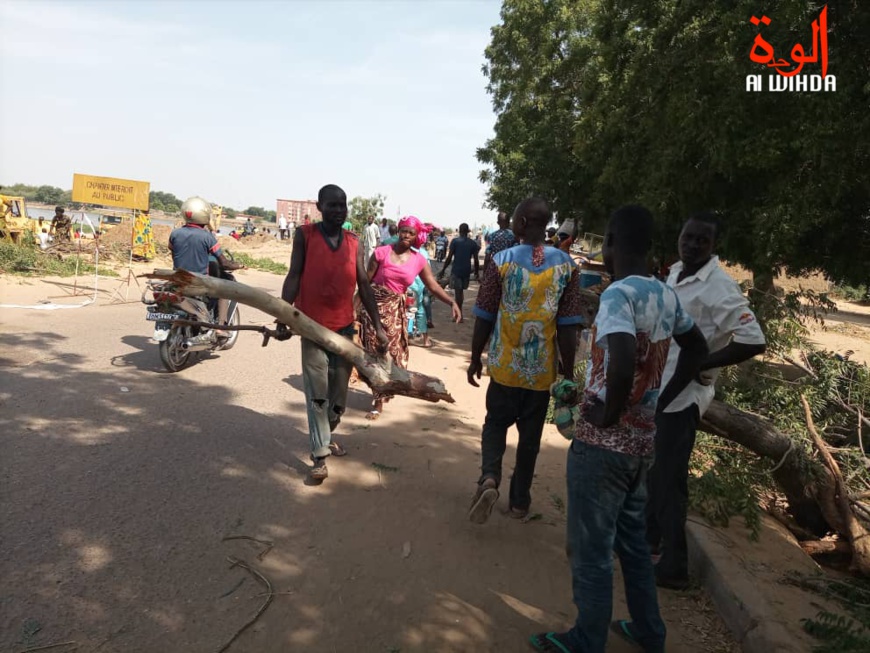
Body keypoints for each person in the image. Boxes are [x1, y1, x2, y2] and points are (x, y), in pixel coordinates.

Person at [529, 205, 708, 653]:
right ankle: (649, 631)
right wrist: (661, 401)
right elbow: (696, 346)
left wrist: (608, 414)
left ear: (609, 243)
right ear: (650, 247)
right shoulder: (665, 294)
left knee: (590, 549)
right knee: (631, 546)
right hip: (641, 447)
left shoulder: (617, 295)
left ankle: (587, 640)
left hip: (603, 449)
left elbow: (625, 356)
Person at [647, 211, 766, 590]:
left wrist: (705, 361)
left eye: (702, 240)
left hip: (684, 396)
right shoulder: (677, 271)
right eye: (689, 236)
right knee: (655, 471)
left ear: (714, 245)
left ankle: (674, 567)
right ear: (679, 236)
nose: (693, 244)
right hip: (661, 386)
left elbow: (754, 340)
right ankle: (645, 541)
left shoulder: (720, 287)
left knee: (670, 479)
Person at [467, 198, 582, 524]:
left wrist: (476, 357)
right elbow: (568, 324)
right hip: (540, 372)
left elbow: (485, 315)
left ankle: (489, 477)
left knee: (494, 425)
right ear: (544, 226)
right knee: (529, 437)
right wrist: (568, 370)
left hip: (505, 367)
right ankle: (520, 501)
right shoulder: (567, 266)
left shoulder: (500, 261)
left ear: (519, 223)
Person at [280, 184, 388, 481]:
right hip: (311, 326)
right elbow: (294, 276)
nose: (339, 211)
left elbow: (364, 285)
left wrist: (378, 326)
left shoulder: (354, 242)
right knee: (317, 394)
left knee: (338, 397)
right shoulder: (305, 236)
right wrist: (282, 315)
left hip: (343, 328)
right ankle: (319, 456)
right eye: (332, 205)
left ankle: (326, 435)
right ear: (320, 206)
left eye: (343, 205)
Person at [360, 215, 461, 420]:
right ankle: (378, 399)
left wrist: (452, 302)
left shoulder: (419, 259)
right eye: (403, 230)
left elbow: (432, 285)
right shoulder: (381, 253)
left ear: (417, 236)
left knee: (393, 354)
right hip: (372, 310)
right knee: (374, 352)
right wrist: (354, 308)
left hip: (395, 313)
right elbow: (364, 282)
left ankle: (385, 389)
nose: (406, 235)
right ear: (398, 231)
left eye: (411, 232)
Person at [169, 196, 244, 337]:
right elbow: (224, 262)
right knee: (223, 293)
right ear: (204, 216)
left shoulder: (175, 234)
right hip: (198, 282)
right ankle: (220, 328)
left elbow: (173, 253)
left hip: (178, 279)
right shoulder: (207, 237)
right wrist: (238, 265)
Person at [437, 223, 480, 317]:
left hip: (456, 270)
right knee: (460, 291)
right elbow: (476, 260)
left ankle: (459, 313)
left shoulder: (455, 241)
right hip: (466, 270)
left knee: (458, 292)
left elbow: (449, 257)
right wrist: (476, 272)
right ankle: (459, 312)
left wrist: (443, 269)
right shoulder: (473, 243)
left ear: (460, 231)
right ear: (468, 231)